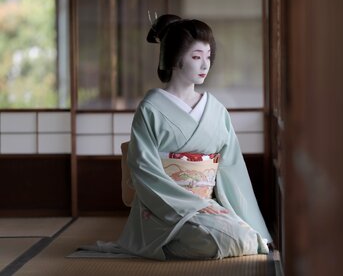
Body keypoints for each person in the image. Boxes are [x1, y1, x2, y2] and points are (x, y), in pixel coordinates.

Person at [89, 14, 272, 260]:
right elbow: (143, 169)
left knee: (246, 237)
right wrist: (194, 206)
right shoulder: (150, 108)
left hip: (209, 207)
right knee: (214, 240)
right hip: (163, 210)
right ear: (174, 59)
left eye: (208, 57)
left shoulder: (216, 110)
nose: (205, 65)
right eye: (196, 57)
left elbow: (232, 169)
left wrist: (246, 219)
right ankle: (161, 242)